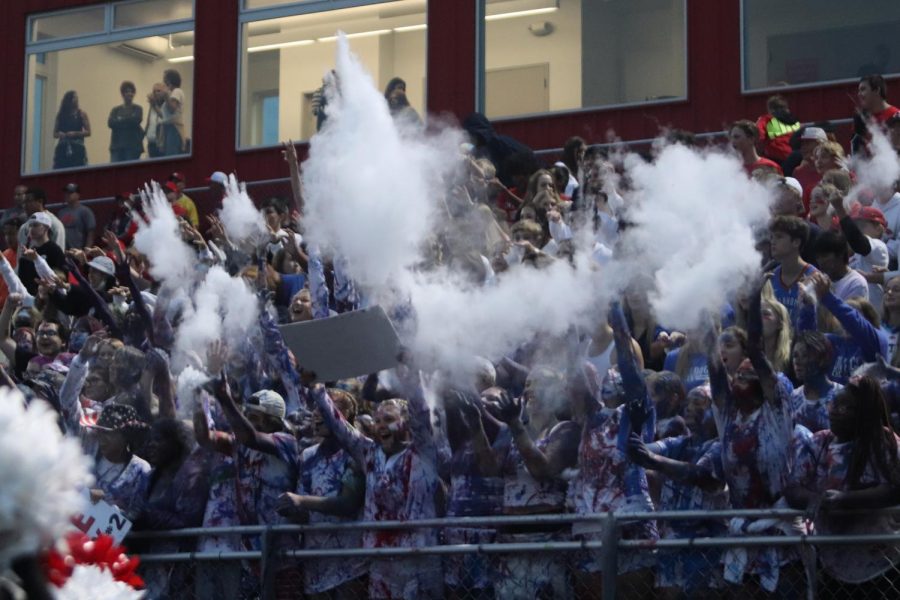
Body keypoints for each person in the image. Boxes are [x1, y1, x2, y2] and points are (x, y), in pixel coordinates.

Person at [313, 368, 445, 599]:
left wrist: (411, 376)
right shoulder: (369, 454)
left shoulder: (422, 453)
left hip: (419, 558)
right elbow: (340, 428)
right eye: (377, 421)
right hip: (380, 559)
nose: (380, 425)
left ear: (407, 423)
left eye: (389, 420)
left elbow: (422, 412)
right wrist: (317, 391)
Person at [785, 376, 900, 590]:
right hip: (833, 564)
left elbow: (895, 488)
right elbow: (792, 488)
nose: (833, 411)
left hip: (881, 566)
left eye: (844, 408)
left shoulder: (884, 443)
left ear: (862, 413)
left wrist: (846, 499)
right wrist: (816, 498)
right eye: (833, 404)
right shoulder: (819, 442)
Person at [276, 388, 366, 598]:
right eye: (316, 408)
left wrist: (301, 501)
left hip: (350, 565)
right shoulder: (308, 456)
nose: (317, 413)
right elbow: (305, 512)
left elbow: (348, 504)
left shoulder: (357, 454)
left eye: (325, 408)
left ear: (342, 418)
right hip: (316, 565)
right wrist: (290, 509)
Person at [768, 215, 817, 327]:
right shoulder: (770, 278)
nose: (773, 242)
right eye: (771, 237)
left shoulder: (815, 279)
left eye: (779, 237)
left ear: (796, 242)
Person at [17, 213, 65, 296]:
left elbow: (61, 278)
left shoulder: (55, 250)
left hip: (49, 299)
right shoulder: (27, 252)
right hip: (30, 300)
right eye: (30, 225)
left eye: (35, 225)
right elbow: (21, 281)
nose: (31, 229)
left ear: (46, 227)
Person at [814, 230, 868, 302]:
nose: (821, 261)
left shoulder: (856, 283)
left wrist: (826, 296)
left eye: (825, 256)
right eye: (817, 257)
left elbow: (850, 312)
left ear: (840, 254)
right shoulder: (820, 281)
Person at [853, 74, 900, 154]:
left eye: (863, 89)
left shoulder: (896, 116)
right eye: (859, 91)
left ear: (877, 90)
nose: (859, 94)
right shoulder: (862, 119)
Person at [756, 95, 801, 165]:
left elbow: (758, 137)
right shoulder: (795, 122)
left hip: (776, 161)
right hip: (796, 159)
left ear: (770, 109)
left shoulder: (766, 120)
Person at [792, 127, 827, 212]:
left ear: (821, 144)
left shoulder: (831, 170)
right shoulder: (798, 172)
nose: (803, 148)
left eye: (807, 143)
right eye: (802, 144)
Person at [52, 90, 90, 169]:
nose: (76, 100)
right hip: (63, 148)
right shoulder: (61, 115)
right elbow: (55, 133)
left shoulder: (82, 114)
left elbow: (88, 132)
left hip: (77, 147)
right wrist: (60, 134)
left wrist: (75, 133)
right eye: (74, 98)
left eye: (76, 98)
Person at [107, 80, 143, 162]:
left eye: (131, 92)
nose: (130, 94)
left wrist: (120, 120)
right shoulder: (115, 110)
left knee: (130, 172)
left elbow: (136, 120)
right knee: (115, 172)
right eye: (127, 92)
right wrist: (128, 120)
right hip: (116, 147)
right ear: (123, 94)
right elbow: (110, 123)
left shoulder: (138, 108)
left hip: (132, 147)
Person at [56, 183, 96, 251]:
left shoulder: (85, 211)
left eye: (70, 192)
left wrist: (87, 250)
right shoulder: (61, 212)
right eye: (66, 193)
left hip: (79, 251)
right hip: (64, 251)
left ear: (78, 195)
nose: (67, 195)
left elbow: (91, 233)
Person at [160, 69, 186, 156]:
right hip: (168, 128)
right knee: (168, 154)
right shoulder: (171, 93)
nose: (163, 81)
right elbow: (164, 115)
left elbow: (172, 109)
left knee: (171, 155)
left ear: (170, 80)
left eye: (165, 79)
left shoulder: (177, 91)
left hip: (174, 128)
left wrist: (165, 96)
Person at [144, 82, 167, 158]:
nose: (155, 93)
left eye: (158, 91)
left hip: (162, 145)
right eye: (154, 91)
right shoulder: (152, 106)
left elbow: (164, 117)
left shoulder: (167, 105)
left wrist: (154, 104)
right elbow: (148, 122)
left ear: (164, 92)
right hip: (151, 144)